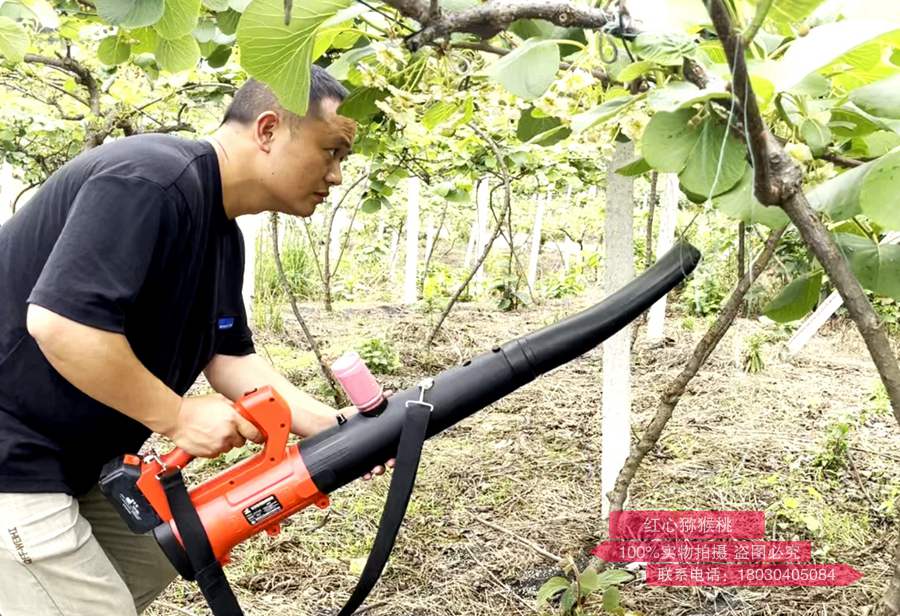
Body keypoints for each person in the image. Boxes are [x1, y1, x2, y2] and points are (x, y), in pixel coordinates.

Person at [0, 66, 389, 615]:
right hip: (13, 452)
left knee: (158, 552)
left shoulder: (220, 231)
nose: (337, 174)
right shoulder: (149, 180)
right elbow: (60, 323)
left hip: (77, 458)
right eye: (331, 151)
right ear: (269, 130)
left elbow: (229, 356)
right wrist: (177, 417)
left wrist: (341, 430)